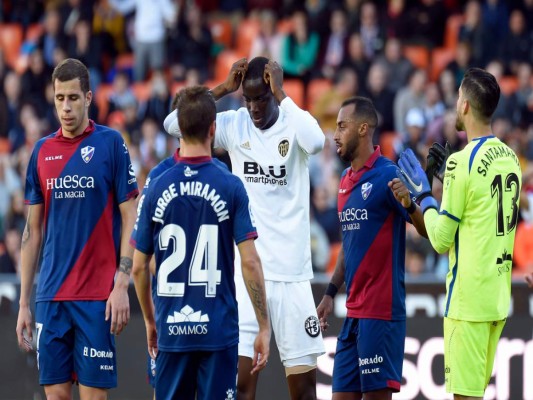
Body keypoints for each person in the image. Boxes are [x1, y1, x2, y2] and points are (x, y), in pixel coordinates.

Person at [164, 56, 326, 400]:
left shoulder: (294, 125)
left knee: (304, 391)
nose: (253, 107)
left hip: (293, 277)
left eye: (261, 98)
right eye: (248, 99)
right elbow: (174, 125)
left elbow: (316, 142)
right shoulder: (235, 124)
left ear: (273, 92)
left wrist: (282, 92)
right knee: (239, 387)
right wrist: (222, 88)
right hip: (246, 277)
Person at [131, 86, 270, 400]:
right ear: (213, 128)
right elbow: (249, 261)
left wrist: (151, 322)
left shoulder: (156, 184)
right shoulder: (231, 185)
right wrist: (264, 326)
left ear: (179, 129)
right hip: (217, 333)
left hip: (171, 331)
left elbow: (139, 268)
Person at [15, 58, 139, 399]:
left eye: (72, 97)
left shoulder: (111, 144)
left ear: (88, 97)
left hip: (97, 297)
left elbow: (132, 214)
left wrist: (121, 281)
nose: (65, 107)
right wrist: (25, 302)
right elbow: (32, 232)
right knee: (55, 396)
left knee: (94, 397)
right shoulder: (41, 151)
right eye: (59, 99)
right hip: (52, 296)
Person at [397, 67, 522, 399]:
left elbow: (439, 240)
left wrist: (424, 196)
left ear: (465, 105)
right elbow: (483, 208)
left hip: (467, 304)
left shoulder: (459, 165)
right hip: (497, 299)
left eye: (456, 98)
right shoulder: (511, 159)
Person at [316, 96, 428, 400]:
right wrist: (329, 293)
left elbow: (426, 230)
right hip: (352, 313)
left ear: (363, 129)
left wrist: (410, 203)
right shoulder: (343, 179)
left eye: (342, 126)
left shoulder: (388, 174)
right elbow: (349, 245)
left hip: (381, 313)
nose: (335, 135)